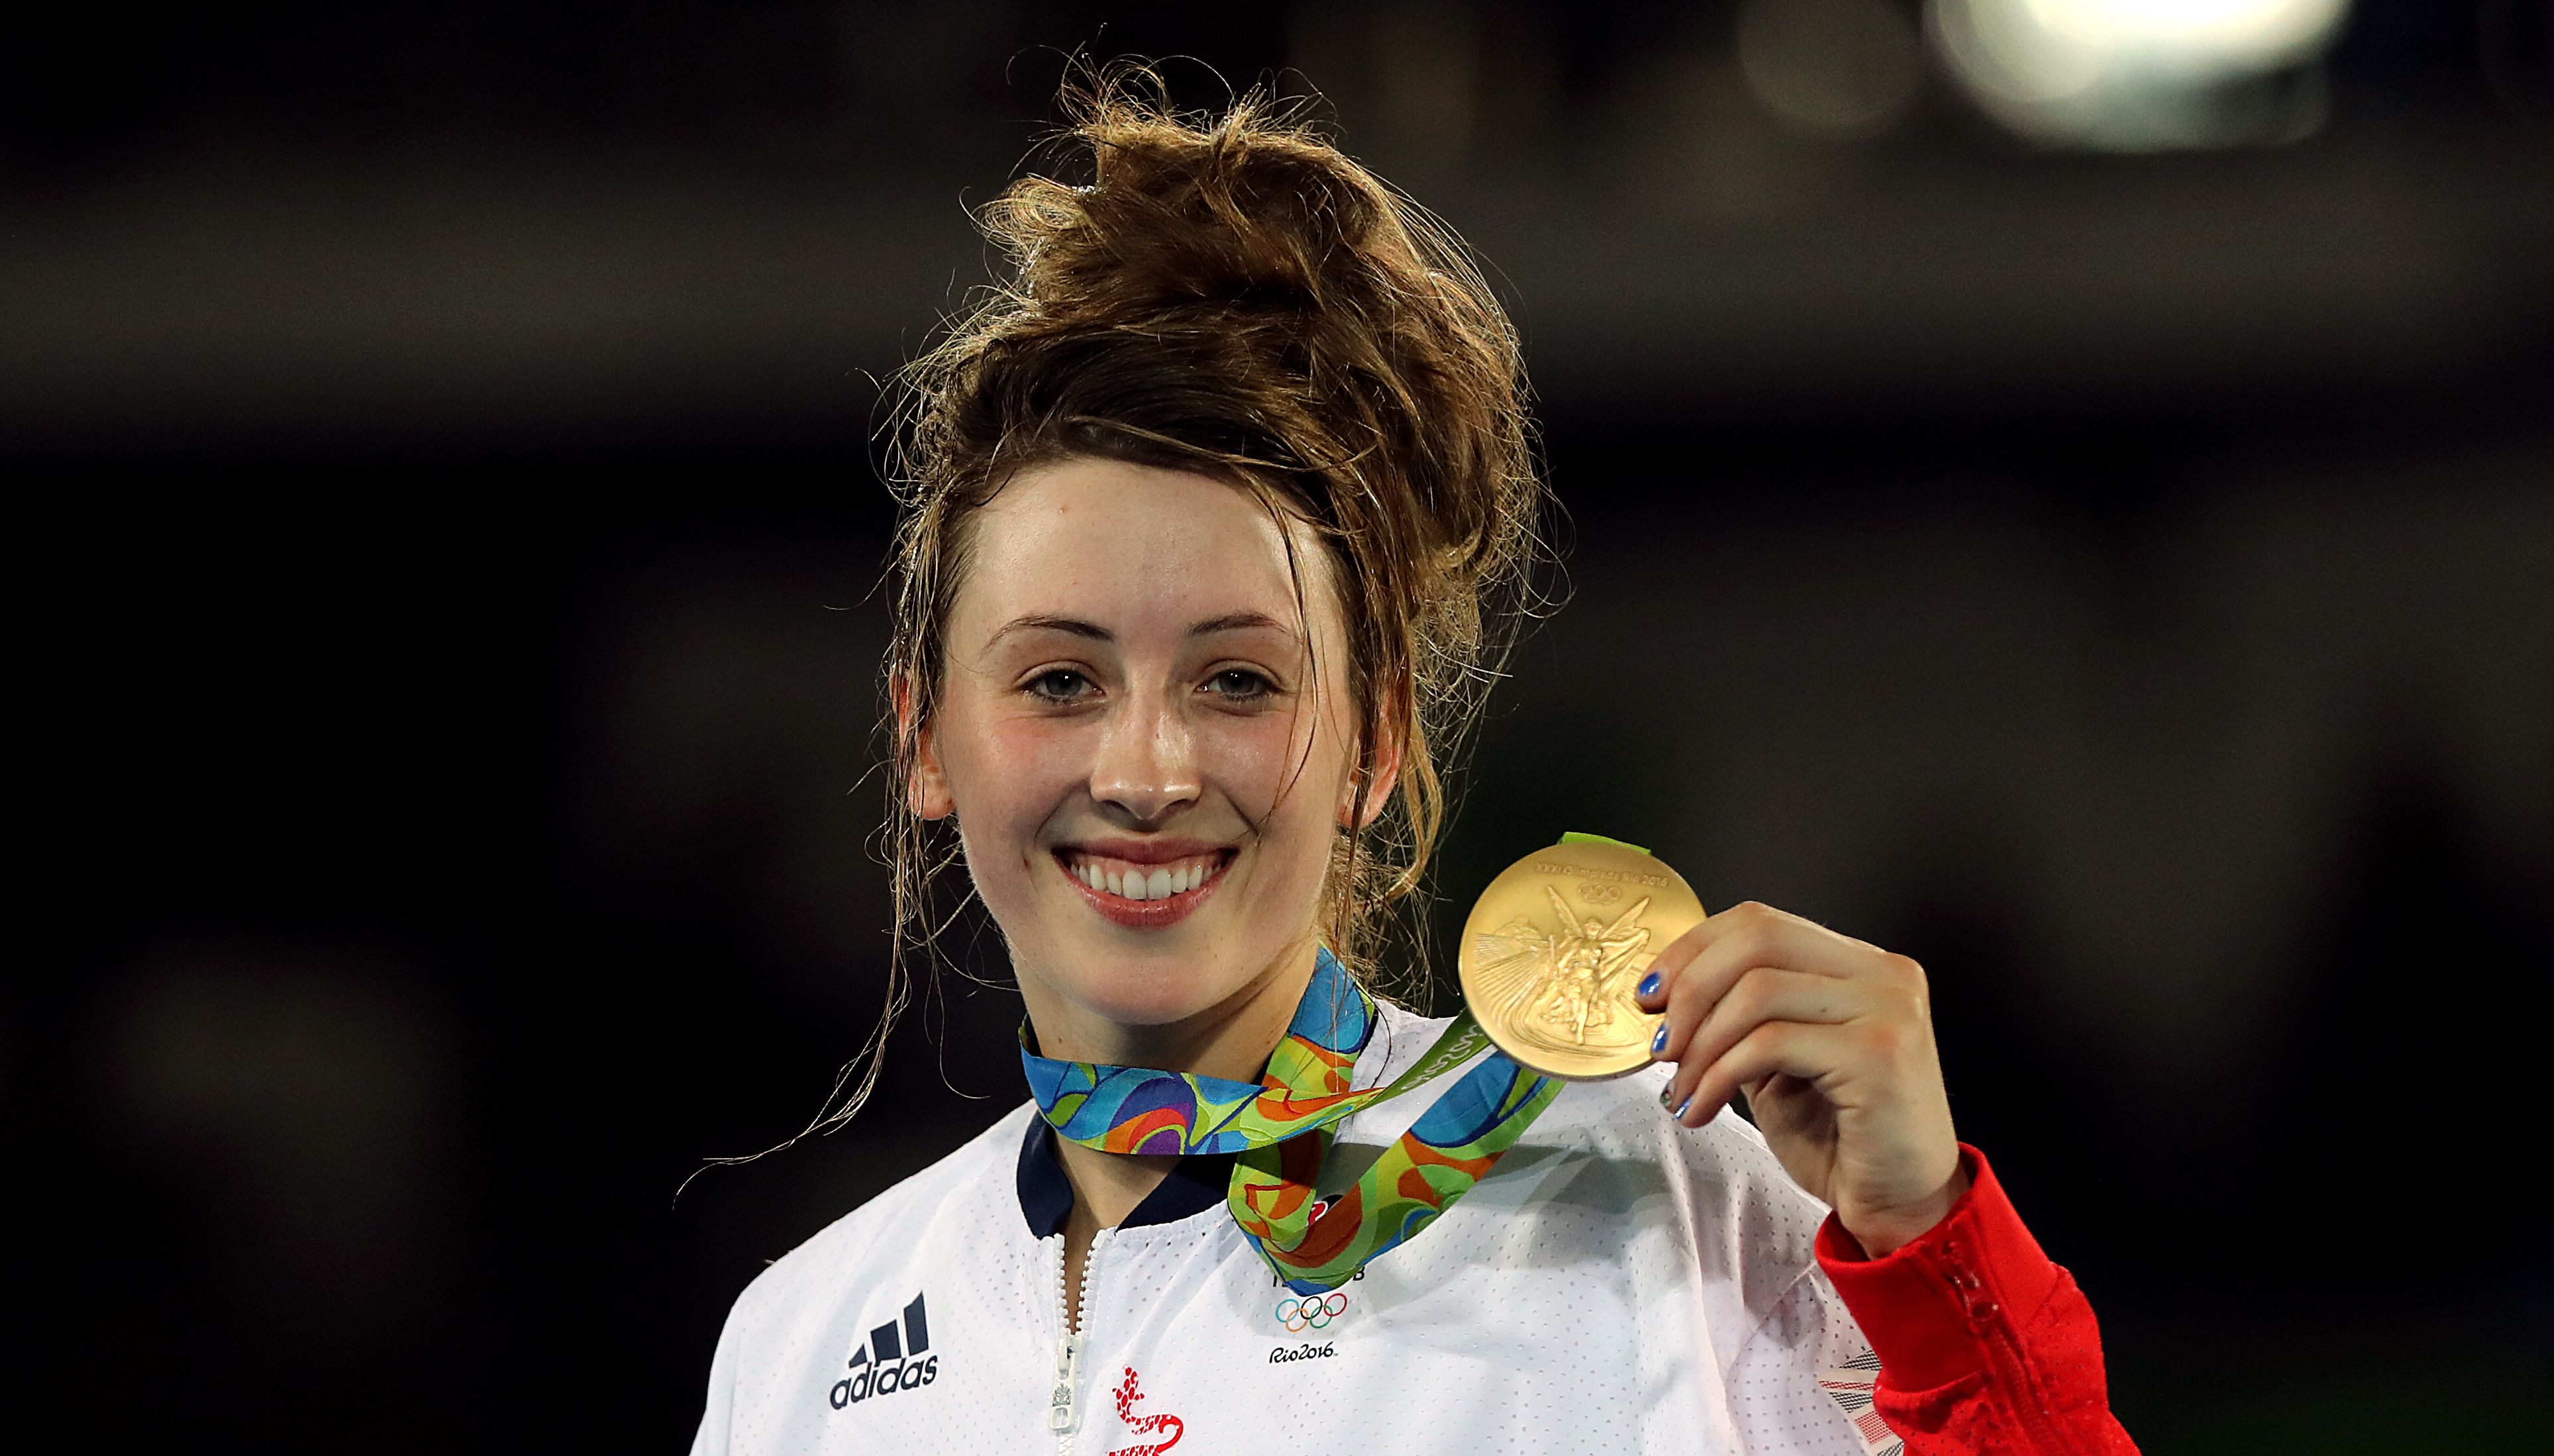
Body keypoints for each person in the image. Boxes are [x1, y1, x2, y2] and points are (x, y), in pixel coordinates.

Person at [689, 77, 2136, 1456]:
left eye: (1238, 680)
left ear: (1374, 744)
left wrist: (1928, 1245)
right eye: (1059, 681)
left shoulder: (1648, 1210)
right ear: (924, 739)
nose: (1144, 770)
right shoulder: (806, 1344)